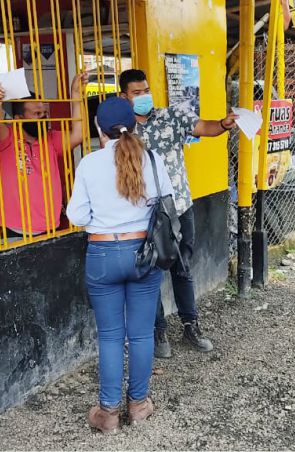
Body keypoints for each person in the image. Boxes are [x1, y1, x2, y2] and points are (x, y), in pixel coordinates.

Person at [110, 69, 238, 358]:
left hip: (180, 208)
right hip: (144, 215)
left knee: (183, 268)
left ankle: (191, 325)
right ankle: (159, 332)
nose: (144, 97)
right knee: (151, 274)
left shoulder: (171, 116)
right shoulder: (122, 132)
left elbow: (205, 128)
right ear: (124, 96)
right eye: (136, 93)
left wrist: (224, 123)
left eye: (146, 90)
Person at [66, 97, 171, 434]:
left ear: (99, 128)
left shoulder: (89, 164)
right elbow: (169, 204)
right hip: (144, 253)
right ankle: (138, 405)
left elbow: (77, 216)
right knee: (141, 334)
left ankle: (108, 413)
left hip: (103, 255)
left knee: (111, 337)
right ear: (135, 123)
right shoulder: (152, 160)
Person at [0, 72, 90, 240]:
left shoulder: (51, 139)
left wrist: (76, 94)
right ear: (19, 118)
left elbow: (79, 134)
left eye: (44, 113)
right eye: (36, 114)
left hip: (50, 230)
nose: (43, 118)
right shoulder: (6, 138)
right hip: (12, 234)